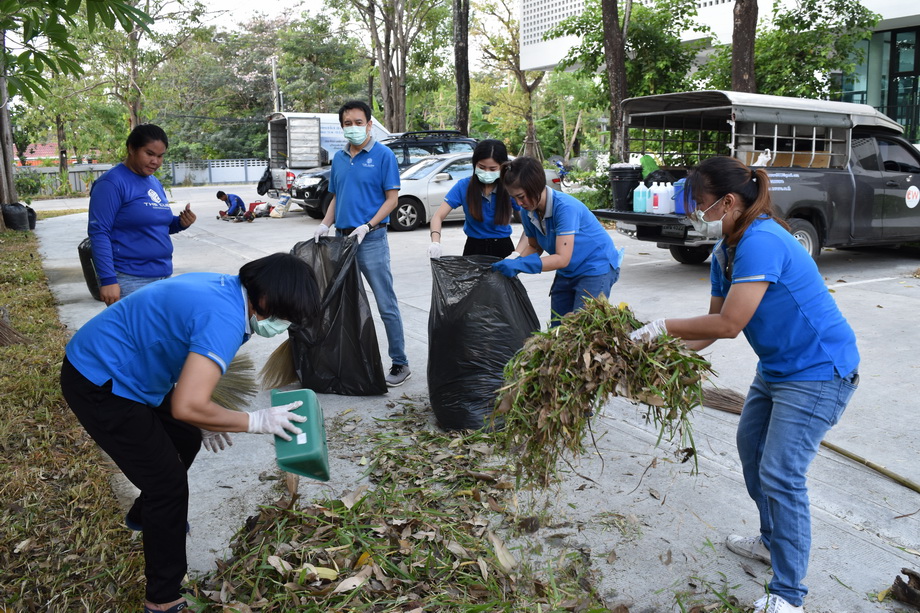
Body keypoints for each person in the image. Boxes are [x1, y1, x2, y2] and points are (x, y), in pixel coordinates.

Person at [629, 156, 860, 613]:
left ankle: (789, 595)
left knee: (781, 474)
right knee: (752, 453)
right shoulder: (726, 251)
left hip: (819, 371)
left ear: (729, 202)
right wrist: (653, 355)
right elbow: (711, 327)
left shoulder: (762, 241)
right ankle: (772, 543)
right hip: (777, 369)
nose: (696, 211)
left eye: (700, 203)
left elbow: (733, 324)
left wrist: (661, 325)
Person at [59, 253, 321, 613]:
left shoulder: (229, 291)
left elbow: (183, 349)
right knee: (166, 486)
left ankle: (144, 515)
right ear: (267, 299)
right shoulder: (226, 318)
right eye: (286, 314)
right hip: (99, 378)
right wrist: (255, 421)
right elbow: (187, 406)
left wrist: (204, 414)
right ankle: (163, 599)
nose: (285, 323)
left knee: (184, 437)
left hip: (132, 369)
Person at [313, 100, 410, 387]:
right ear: (341, 126)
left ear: (369, 124)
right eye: (347, 123)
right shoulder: (339, 158)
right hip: (341, 241)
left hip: (371, 240)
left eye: (358, 122)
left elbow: (392, 200)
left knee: (385, 303)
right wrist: (324, 224)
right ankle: (350, 360)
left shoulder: (383, 156)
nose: (352, 127)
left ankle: (400, 363)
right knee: (343, 305)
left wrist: (367, 226)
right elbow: (335, 198)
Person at [491, 156, 623, 326]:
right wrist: (514, 260)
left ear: (536, 187)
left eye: (521, 196)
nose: (518, 203)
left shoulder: (565, 208)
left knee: (581, 329)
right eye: (513, 198)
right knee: (558, 329)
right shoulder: (528, 211)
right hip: (568, 270)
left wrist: (521, 265)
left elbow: (562, 258)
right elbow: (534, 245)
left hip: (595, 267)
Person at [88, 124, 196, 306]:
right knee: (135, 333)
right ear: (131, 149)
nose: (156, 161)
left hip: (162, 275)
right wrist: (108, 279)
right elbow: (99, 232)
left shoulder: (153, 182)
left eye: (160, 156)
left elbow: (158, 225)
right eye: (150, 154)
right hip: (129, 278)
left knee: (158, 333)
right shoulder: (112, 183)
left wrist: (181, 223)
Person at [427, 139, 519, 259]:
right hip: (474, 248)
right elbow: (438, 216)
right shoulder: (463, 186)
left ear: (503, 167)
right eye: (482, 167)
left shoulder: (509, 188)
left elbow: (529, 219)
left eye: (492, 169)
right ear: (474, 164)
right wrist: (435, 242)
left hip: (503, 248)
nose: (486, 172)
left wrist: (518, 253)